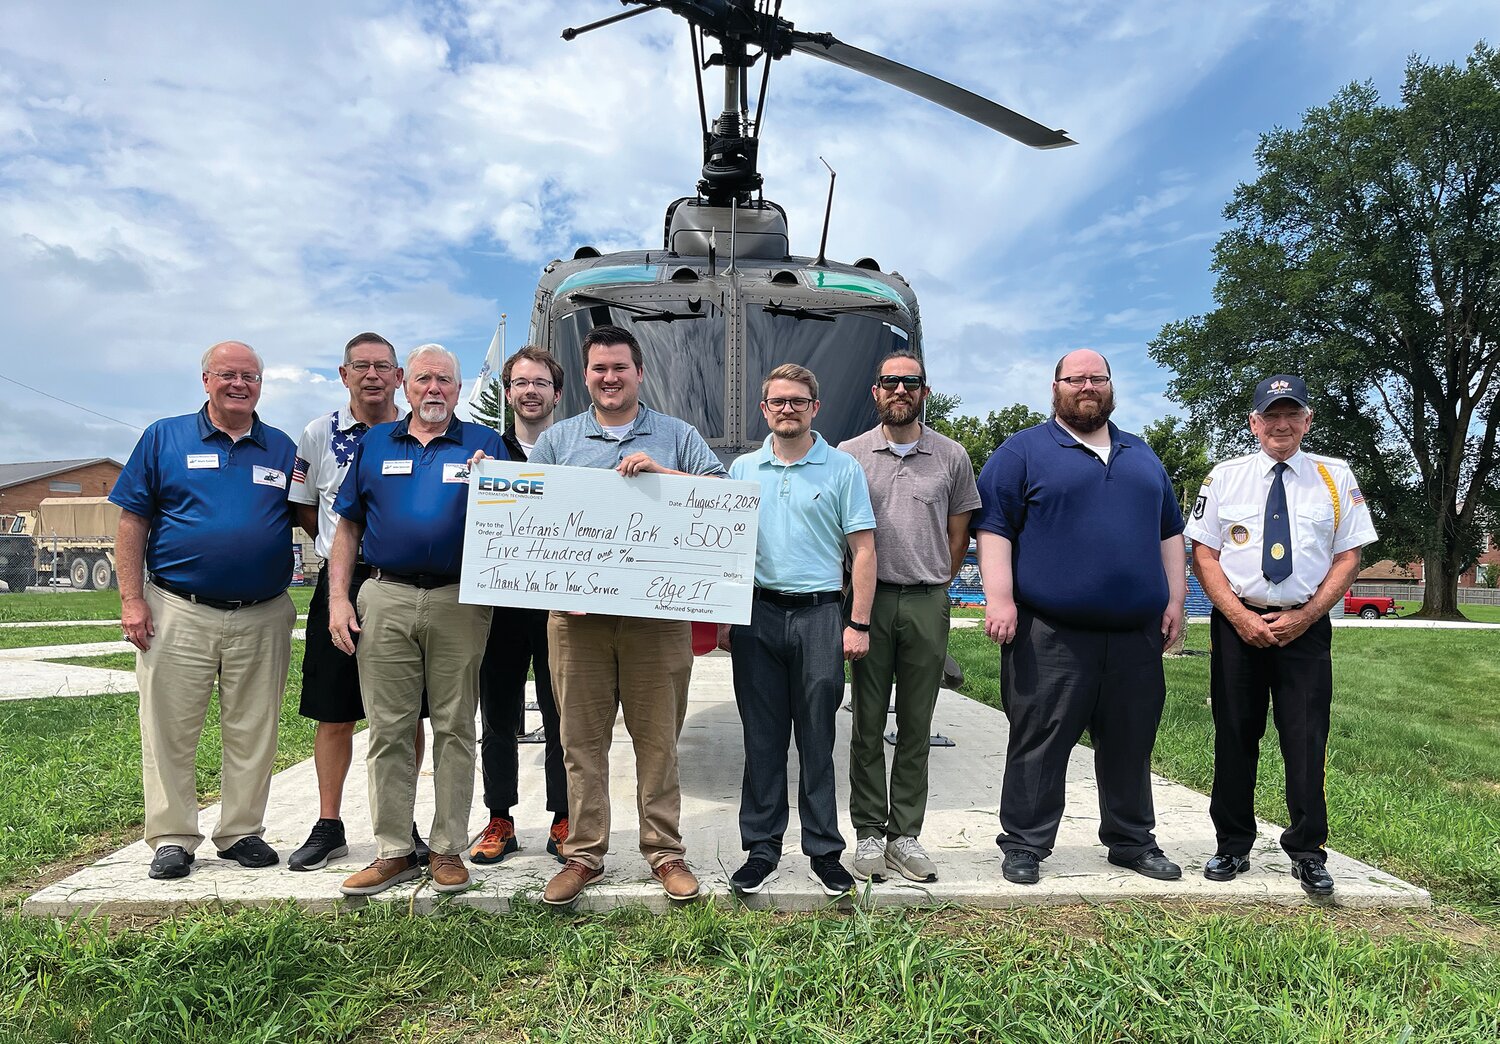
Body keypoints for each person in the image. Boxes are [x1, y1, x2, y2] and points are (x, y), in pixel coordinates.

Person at [528, 324, 726, 905]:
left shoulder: (677, 435)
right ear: (585, 377)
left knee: (658, 740)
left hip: (657, 620)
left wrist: (666, 476)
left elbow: (723, 499)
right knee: (580, 741)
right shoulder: (560, 441)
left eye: (619, 368)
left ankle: (664, 852)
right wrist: (497, 485)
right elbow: (526, 511)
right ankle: (585, 853)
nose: (609, 378)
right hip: (576, 620)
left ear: (640, 373)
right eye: (598, 369)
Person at [975, 349, 1186, 886]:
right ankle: (1025, 843)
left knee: (1130, 743)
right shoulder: (1022, 451)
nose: (1086, 386)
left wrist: (1176, 600)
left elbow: (1168, 534)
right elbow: (994, 528)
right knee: (1039, 741)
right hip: (1050, 632)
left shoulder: (1143, 456)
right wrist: (999, 599)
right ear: (1056, 386)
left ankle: (1131, 840)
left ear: (1110, 386)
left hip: (1134, 634)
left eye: (1096, 378)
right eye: (1076, 378)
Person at [112, 341, 298, 880]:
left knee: (254, 728)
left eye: (250, 376)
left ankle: (241, 830)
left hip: (264, 612)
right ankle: (172, 836)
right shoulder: (164, 438)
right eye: (228, 375)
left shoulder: (282, 448)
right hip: (178, 608)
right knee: (170, 726)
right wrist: (131, 598)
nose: (239, 384)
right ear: (205, 380)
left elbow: (315, 515)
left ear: (261, 383)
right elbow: (132, 523)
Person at [327, 344, 508, 897]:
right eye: (425, 379)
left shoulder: (486, 443)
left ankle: (448, 847)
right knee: (389, 728)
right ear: (407, 385)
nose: (434, 389)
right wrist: (339, 599)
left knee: (455, 725)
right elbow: (347, 529)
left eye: (445, 381)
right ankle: (394, 851)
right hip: (385, 595)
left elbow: (522, 517)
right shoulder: (376, 444)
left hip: (461, 599)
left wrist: (497, 484)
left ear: (460, 390)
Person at [1185, 374, 1376, 897]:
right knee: (1235, 736)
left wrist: (1309, 615)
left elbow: (1349, 555)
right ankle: (1232, 844)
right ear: (1254, 423)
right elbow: (1204, 552)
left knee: (1306, 739)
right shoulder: (1225, 477)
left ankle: (1308, 851)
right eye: (1271, 415)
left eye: (1292, 414)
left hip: (1305, 629)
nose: (1282, 424)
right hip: (1237, 626)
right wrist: (1238, 616)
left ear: (1308, 421)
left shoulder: (1335, 477)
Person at [724, 364, 876, 896]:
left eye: (798, 401)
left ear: (816, 407)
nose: (788, 409)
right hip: (758, 615)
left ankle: (825, 851)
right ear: (763, 409)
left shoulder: (842, 469)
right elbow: (713, 535)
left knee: (817, 737)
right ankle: (761, 849)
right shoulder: (742, 470)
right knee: (762, 739)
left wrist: (858, 621)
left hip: (819, 615)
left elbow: (863, 551)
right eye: (778, 401)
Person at [285, 332, 431, 872]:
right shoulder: (318, 434)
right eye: (361, 366)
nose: (373, 375)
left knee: (405, 713)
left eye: (383, 367)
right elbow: (305, 509)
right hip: (342, 583)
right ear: (343, 375)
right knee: (334, 708)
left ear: (399, 378)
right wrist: (338, 567)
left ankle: (404, 819)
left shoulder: (417, 430)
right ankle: (328, 824)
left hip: (404, 583)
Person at [837, 351, 980, 883]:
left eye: (911, 383)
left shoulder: (951, 456)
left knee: (916, 723)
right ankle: (870, 832)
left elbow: (958, 530)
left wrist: (937, 580)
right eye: (891, 382)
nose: (901, 390)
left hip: (926, 600)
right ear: (875, 391)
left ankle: (906, 835)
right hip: (869, 601)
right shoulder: (849, 455)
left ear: (924, 391)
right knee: (867, 721)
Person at [470, 345, 571, 866]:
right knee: (499, 716)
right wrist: (473, 481)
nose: (531, 391)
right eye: (521, 383)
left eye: (541, 383)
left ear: (557, 393)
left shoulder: (576, 450)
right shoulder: (483, 451)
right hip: (500, 608)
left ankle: (563, 816)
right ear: (507, 393)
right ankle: (499, 817)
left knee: (562, 717)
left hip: (559, 608)